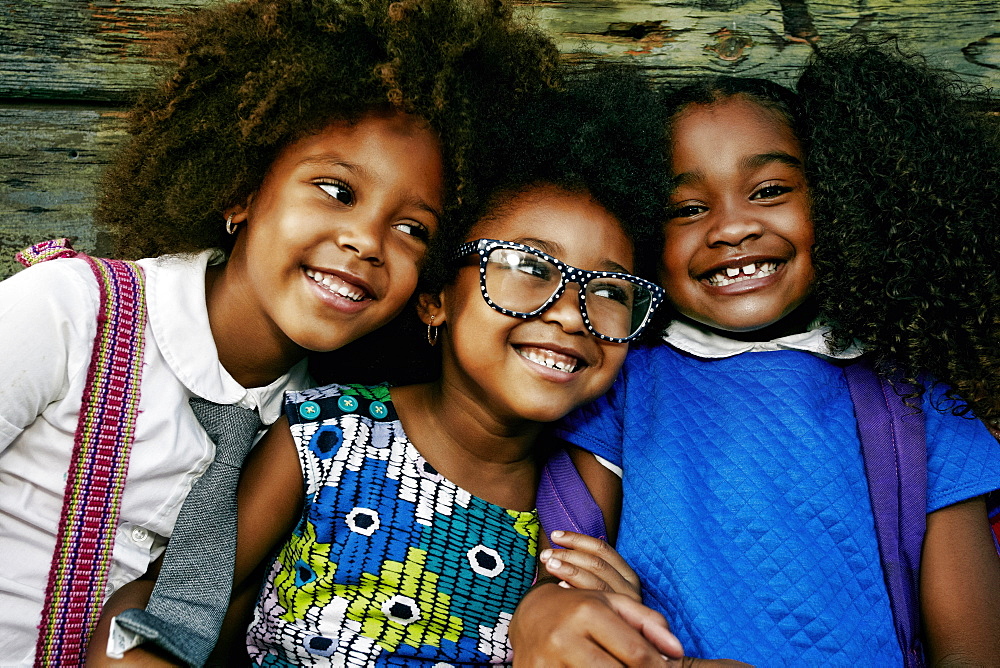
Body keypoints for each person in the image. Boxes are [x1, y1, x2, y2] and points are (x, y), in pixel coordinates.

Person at [0, 0, 562, 663]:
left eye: (413, 229)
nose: (365, 241)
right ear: (242, 190)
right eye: (335, 189)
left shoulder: (324, 437)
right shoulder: (69, 312)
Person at [91, 68, 682, 666]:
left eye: (610, 289)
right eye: (529, 267)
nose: (572, 315)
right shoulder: (327, 431)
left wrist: (606, 624)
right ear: (435, 298)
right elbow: (172, 608)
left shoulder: (579, 499)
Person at [510, 38, 1000, 666]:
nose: (731, 227)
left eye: (769, 191)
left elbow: (974, 645)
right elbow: (566, 578)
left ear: (842, 200)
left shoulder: (915, 399)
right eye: (686, 208)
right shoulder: (624, 383)